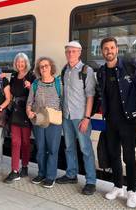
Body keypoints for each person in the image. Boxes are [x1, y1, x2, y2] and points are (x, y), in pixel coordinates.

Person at [97, 37, 136, 208]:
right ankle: (118, 186)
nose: (109, 51)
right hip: (111, 121)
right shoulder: (102, 72)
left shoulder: (129, 65)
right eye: (105, 48)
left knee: (129, 157)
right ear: (102, 51)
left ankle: (132, 192)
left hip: (129, 121)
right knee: (114, 155)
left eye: (112, 47)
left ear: (117, 49)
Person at [55, 41, 97, 195]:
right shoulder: (65, 70)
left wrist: (87, 118)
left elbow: (90, 95)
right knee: (69, 147)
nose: (70, 54)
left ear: (79, 53)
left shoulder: (87, 70)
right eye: (68, 51)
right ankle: (71, 175)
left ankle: (91, 181)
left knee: (85, 149)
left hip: (80, 117)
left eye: (73, 51)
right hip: (66, 116)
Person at [26, 57, 63, 189]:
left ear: (51, 67)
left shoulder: (59, 84)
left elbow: (63, 102)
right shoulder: (35, 84)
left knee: (53, 150)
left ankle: (50, 177)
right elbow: (29, 102)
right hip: (39, 121)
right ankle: (41, 173)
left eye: (46, 66)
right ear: (38, 69)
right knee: (41, 149)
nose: (44, 68)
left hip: (54, 122)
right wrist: (29, 112)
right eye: (41, 66)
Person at [4, 53, 36, 184]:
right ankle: (14, 170)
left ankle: (25, 166)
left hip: (26, 112)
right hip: (15, 112)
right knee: (15, 142)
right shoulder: (13, 76)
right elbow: (10, 93)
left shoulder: (31, 76)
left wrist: (31, 87)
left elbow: (37, 94)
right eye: (18, 62)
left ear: (26, 63)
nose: (20, 64)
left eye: (22, 62)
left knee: (25, 143)